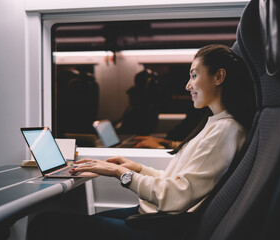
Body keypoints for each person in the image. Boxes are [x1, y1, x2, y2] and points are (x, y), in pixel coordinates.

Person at [27, 44, 255, 240]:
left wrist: (120, 174)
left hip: (161, 227)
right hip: (154, 218)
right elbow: (177, 182)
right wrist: (138, 168)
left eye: (194, 75)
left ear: (219, 77)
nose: (188, 85)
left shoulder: (226, 131)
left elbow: (175, 196)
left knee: (45, 223)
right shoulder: (215, 124)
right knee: (76, 222)